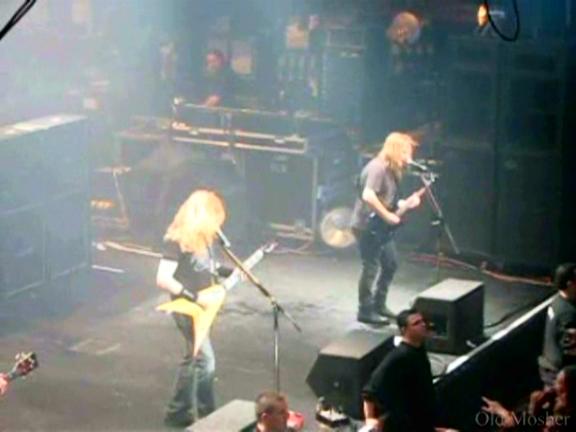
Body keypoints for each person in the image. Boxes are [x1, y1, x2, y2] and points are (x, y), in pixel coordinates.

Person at [156, 189, 232, 428]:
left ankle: (182, 412)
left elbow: (207, 267)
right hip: (186, 307)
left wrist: (230, 272)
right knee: (205, 362)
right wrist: (194, 296)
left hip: (203, 306)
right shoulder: (177, 241)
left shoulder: (205, 240)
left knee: (194, 358)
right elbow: (163, 278)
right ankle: (199, 413)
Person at [350, 132, 422, 325]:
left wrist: (405, 204)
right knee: (371, 266)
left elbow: (386, 199)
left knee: (390, 264)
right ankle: (365, 310)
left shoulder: (391, 171)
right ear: (396, 150)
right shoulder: (378, 168)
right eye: (405, 152)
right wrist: (388, 216)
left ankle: (379, 304)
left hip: (379, 226)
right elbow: (368, 195)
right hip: (366, 225)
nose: (408, 157)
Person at [362, 309, 457, 432]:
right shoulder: (399, 357)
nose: (423, 325)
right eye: (416, 323)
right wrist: (370, 418)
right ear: (404, 330)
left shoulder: (419, 349)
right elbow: (370, 391)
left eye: (422, 321)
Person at [482, 365, 576, 431]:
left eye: (561, 389)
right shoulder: (554, 405)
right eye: (556, 381)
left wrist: (534, 408)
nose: (554, 387)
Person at [539, 263, 576, 387]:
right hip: (559, 375)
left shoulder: (557, 301)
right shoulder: (568, 314)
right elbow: (571, 349)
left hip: (548, 363)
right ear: (570, 284)